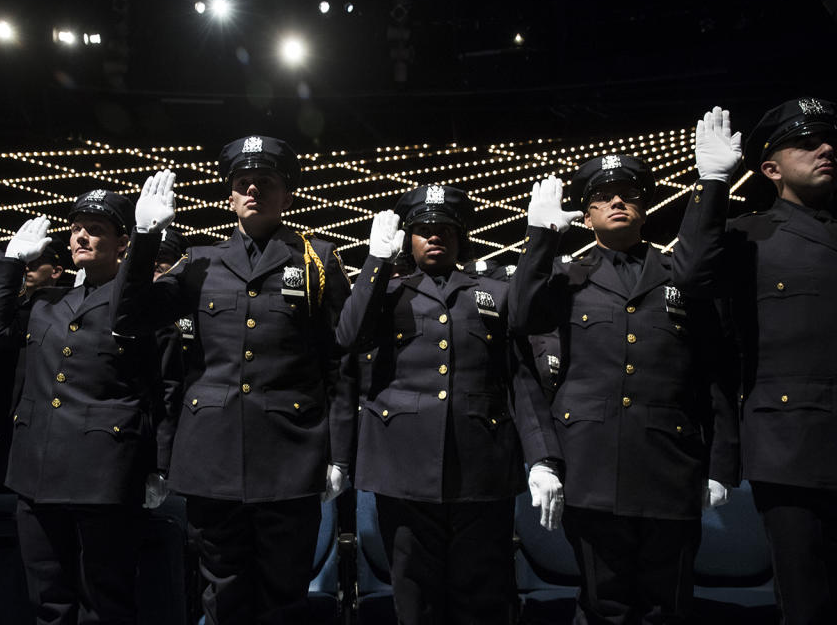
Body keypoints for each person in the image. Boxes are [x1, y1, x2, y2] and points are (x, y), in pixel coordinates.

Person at [111, 135, 352, 624]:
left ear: (288, 196)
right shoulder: (199, 262)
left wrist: (340, 455)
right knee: (221, 594)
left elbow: (340, 364)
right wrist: (144, 240)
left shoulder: (317, 260)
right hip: (214, 454)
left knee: (284, 596)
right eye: (243, 182)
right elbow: (128, 316)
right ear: (230, 197)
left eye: (266, 182)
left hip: (292, 452)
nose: (253, 189)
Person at [510, 155, 739, 623]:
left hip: (670, 465)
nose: (617, 200)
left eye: (629, 193)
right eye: (601, 196)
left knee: (668, 606)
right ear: (586, 214)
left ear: (645, 206)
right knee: (602, 605)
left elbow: (714, 371)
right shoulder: (565, 277)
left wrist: (720, 463)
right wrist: (541, 238)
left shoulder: (682, 273)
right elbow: (521, 318)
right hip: (590, 465)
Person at [335, 186, 562, 624]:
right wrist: (376, 261)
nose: (434, 237)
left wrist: (541, 458)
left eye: (445, 230)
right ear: (408, 238)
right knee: (415, 602)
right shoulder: (385, 293)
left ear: (461, 238)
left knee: (485, 600)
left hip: (482, 470)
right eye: (422, 230)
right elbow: (347, 336)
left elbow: (518, 377)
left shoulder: (493, 293)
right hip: (403, 471)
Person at [0, 190, 161, 624]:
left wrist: (159, 464)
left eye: (96, 230)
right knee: (47, 600)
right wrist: (11, 263)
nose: (81, 237)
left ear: (122, 243)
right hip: (38, 469)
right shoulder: (47, 301)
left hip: (105, 472)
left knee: (105, 602)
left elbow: (164, 386)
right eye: (75, 230)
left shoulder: (137, 302)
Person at [675, 100, 837, 623]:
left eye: (829, 140)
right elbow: (693, 274)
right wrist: (713, 184)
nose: (826, 148)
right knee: (808, 601)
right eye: (807, 143)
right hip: (792, 445)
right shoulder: (750, 234)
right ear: (769, 168)